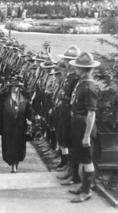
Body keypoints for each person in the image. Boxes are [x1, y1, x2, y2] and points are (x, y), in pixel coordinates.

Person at [68, 51, 100, 203]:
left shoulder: (89, 86)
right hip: (77, 124)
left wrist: (87, 135)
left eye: (77, 67)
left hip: (84, 126)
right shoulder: (82, 82)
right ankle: (83, 185)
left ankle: (87, 191)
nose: (75, 69)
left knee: (87, 160)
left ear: (83, 69)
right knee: (81, 157)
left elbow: (91, 114)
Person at [55, 45, 81, 186]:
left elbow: (73, 97)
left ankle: (74, 174)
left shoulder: (75, 77)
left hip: (70, 112)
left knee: (71, 143)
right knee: (65, 139)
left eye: (67, 60)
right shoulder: (70, 75)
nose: (64, 62)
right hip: (64, 109)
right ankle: (70, 170)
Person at [0, 78, 33, 173]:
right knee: (9, 147)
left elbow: (29, 112)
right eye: (13, 86)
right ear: (10, 87)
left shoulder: (25, 99)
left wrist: (30, 121)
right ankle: (12, 165)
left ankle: (16, 164)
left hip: (20, 128)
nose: (15, 88)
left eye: (17, 86)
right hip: (8, 127)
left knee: (19, 147)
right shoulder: (4, 99)